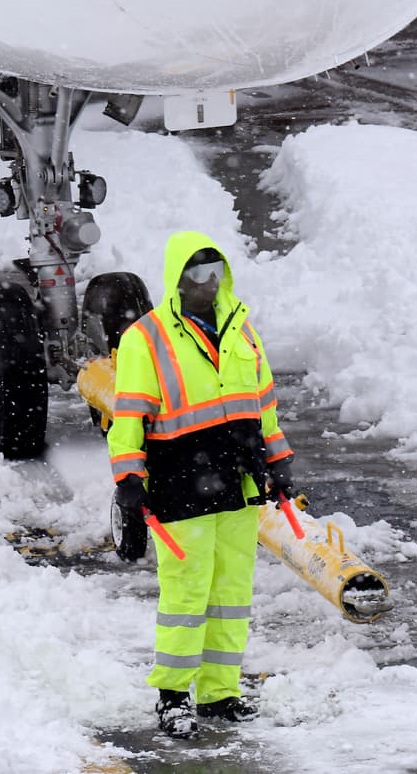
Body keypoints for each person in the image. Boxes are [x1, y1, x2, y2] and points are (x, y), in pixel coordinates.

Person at [107, 230, 297, 739]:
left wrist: (279, 461)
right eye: (196, 274)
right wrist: (128, 477)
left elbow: (265, 404)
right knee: (186, 592)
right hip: (178, 478)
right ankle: (173, 697)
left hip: (237, 477)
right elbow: (128, 415)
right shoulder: (144, 338)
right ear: (177, 278)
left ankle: (219, 693)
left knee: (231, 590)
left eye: (215, 273)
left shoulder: (242, 327)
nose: (207, 284)